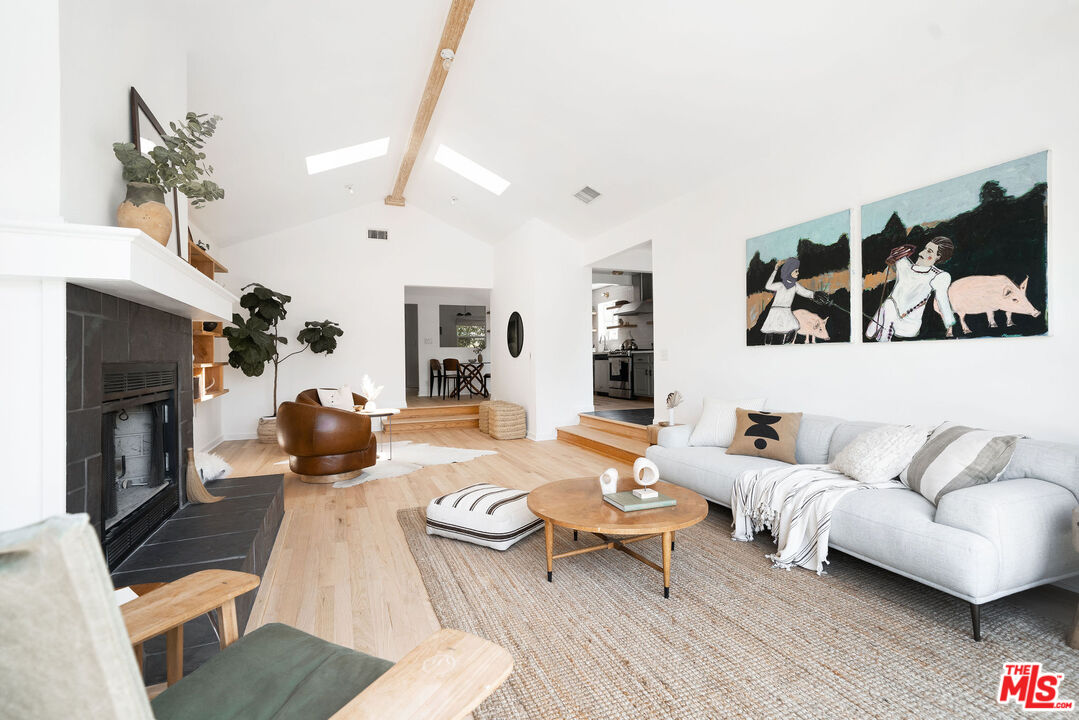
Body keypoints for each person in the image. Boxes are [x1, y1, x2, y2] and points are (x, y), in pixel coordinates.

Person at [866, 236, 957, 342]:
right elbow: (894, 258)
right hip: (884, 316)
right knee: (870, 331)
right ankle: (882, 335)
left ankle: (884, 341)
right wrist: (896, 255)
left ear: (938, 257)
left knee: (889, 305)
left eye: (929, 251)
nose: (921, 253)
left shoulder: (938, 276)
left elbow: (943, 300)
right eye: (925, 249)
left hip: (907, 323)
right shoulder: (904, 265)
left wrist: (950, 324)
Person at [760, 258, 815, 344]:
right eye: (796, 271)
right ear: (790, 271)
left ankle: (787, 346)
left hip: (786, 311)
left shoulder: (795, 285)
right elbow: (768, 286)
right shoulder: (780, 285)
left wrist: (814, 295)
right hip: (776, 311)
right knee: (770, 330)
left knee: (794, 327)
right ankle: (767, 346)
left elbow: (805, 292)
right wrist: (775, 270)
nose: (798, 273)